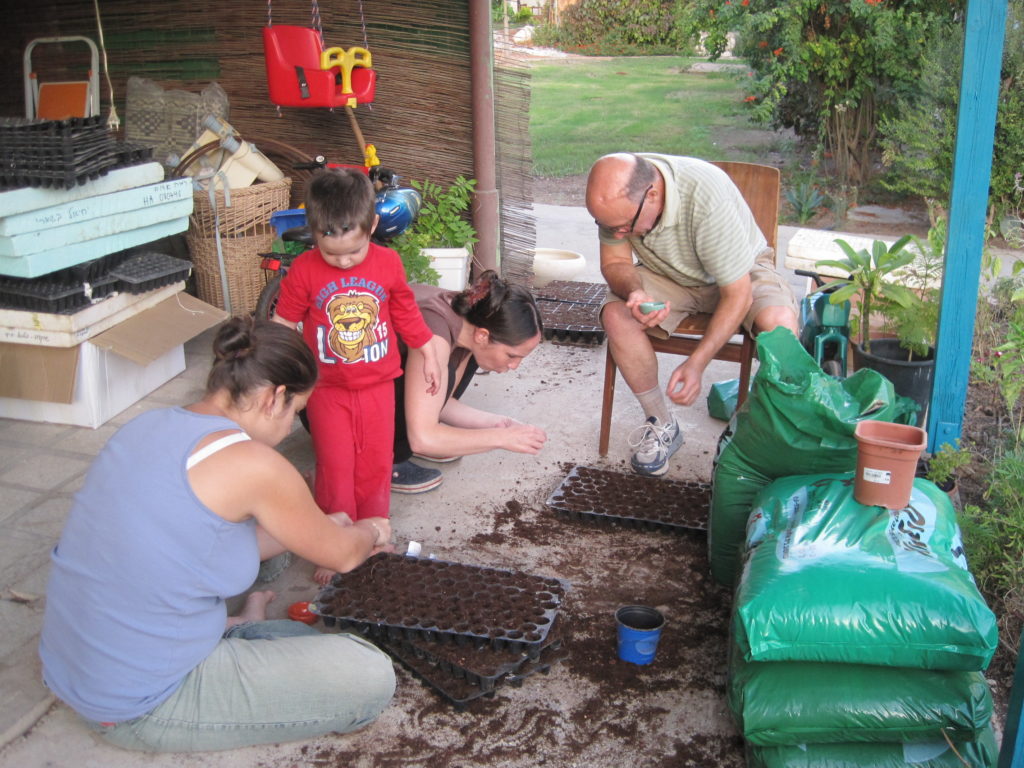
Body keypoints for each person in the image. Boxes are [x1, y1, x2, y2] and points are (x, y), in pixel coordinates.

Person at [39, 317, 396, 753]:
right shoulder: (254, 464)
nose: (289, 429)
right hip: (137, 703)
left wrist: (320, 527)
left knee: (278, 570)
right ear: (274, 398)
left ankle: (239, 628)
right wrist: (369, 527)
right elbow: (344, 556)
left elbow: (196, 540)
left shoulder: (146, 425)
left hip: (74, 666)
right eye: (297, 413)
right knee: (370, 673)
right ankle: (236, 638)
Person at [586, 152, 799, 477]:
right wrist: (636, 292)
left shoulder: (705, 197)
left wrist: (697, 363)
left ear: (653, 195)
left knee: (778, 326)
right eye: (606, 226)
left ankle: (771, 438)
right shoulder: (617, 201)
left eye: (624, 226)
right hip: (669, 274)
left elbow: (737, 295)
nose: (617, 234)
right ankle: (662, 422)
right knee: (616, 315)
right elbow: (615, 264)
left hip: (742, 273)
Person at [272, 168, 441, 548]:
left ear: (373, 225)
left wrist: (427, 351)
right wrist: (279, 372)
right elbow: (284, 322)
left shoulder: (387, 264)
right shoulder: (303, 270)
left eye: (354, 250)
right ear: (313, 232)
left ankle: (375, 530)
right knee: (335, 465)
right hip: (326, 389)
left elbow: (405, 311)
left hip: (379, 386)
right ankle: (336, 541)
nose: (345, 262)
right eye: (332, 252)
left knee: (376, 463)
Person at [391, 270, 548, 480]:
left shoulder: (471, 319)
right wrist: (500, 438)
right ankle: (384, 460)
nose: (514, 366)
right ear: (483, 335)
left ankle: (430, 439)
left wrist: (500, 424)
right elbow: (423, 438)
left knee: (465, 362)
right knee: (439, 372)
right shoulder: (435, 335)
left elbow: (440, 404)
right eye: (512, 355)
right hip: (349, 400)